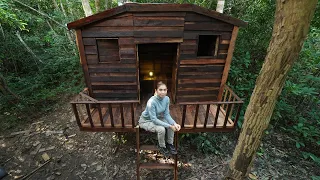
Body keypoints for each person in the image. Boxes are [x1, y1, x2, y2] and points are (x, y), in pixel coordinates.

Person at [138, 81, 181, 156]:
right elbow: (154, 120)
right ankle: (162, 146)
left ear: (167, 91)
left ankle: (170, 144)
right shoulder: (151, 102)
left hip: (156, 118)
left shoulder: (167, 99)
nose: (163, 92)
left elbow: (167, 114)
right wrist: (169, 126)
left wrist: (174, 123)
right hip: (146, 121)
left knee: (171, 124)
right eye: (160, 90)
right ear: (156, 91)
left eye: (164, 90)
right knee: (161, 129)